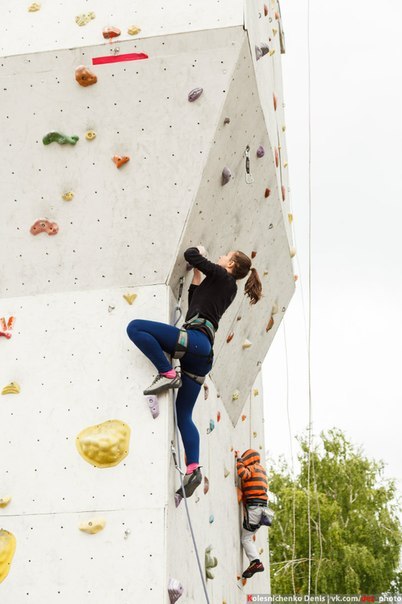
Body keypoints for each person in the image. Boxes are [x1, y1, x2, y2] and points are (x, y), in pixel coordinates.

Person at [126, 246, 262, 498]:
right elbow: (194, 303)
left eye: (225, 256)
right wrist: (197, 276)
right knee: (183, 414)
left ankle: (167, 373)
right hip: (200, 354)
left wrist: (199, 251)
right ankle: (193, 468)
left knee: (135, 328)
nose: (221, 257)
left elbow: (191, 254)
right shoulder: (222, 285)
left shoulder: (224, 278)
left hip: (196, 341)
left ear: (230, 265)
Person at [236, 448, 271, 579]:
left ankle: (256, 562)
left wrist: (239, 461)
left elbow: (242, 474)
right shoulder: (262, 470)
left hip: (255, 508)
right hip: (262, 509)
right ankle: (254, 562)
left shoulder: (252, 468)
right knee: (249, 536)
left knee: (246, 538)